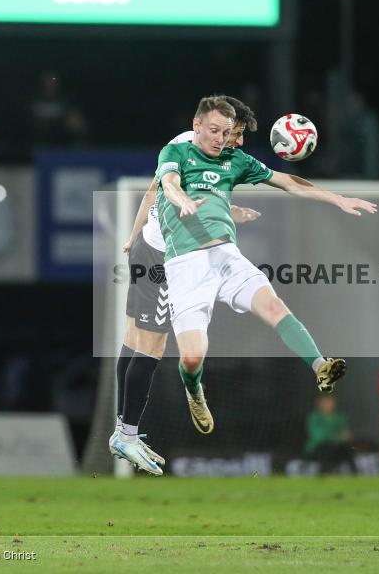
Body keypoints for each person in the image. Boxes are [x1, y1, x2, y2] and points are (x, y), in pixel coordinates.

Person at [156, 95, 375, 446]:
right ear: (196, 127)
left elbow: (287, 181)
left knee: (274, 306)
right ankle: (194, 390)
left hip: (227, 257)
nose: (222, 138)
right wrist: (180, 198)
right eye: (215, 130)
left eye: (226, 132)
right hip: (186, 265)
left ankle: (320, 365)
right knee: (193, 357)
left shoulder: (235, 160)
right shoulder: (176, 152)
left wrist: (337, 198)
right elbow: (169, 183)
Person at [108, 96, 262, 475]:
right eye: (234, 134)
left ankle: (123, 428)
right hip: (163, 258)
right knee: (151, 347)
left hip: (146, 245)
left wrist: (132, 236)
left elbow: (152, 191)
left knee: (131, 340)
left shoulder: (182, 144)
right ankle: (126, 434)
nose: (237, 142)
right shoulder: (203, 157)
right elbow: (181, 200)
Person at [304, 394, 353, 473]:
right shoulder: (314, 417)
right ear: (319, 403)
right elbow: (319, 436)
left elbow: (346, 434)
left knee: (347, 449)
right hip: (317, 448)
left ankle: (355, 475)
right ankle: (324, 473)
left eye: (331, 401)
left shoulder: (339, 417)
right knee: (327, 448)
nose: (329, 404)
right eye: (326, 402)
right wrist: (337, 437)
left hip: (336, 447)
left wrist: (344, 437)